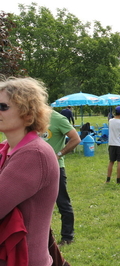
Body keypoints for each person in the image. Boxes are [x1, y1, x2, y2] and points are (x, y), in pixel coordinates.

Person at [0, 77, 59, 266]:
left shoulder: (34, 154)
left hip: (24, 260)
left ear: (28, 114)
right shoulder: (6, 149)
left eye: (3, 107)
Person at [43, 111, 81, 247]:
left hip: (55, 168)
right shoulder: (29, 117)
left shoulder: (57, 118)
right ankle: (42, 239)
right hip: (34, 168)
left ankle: (67, 237)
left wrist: (59, 154)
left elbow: (76, 138)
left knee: (62, 202)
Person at [106, 106, 120, 184]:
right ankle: (118, 179)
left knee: (111, 161)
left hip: (111, 144)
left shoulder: (110, 121)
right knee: (119, 162)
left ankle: (108, 179)